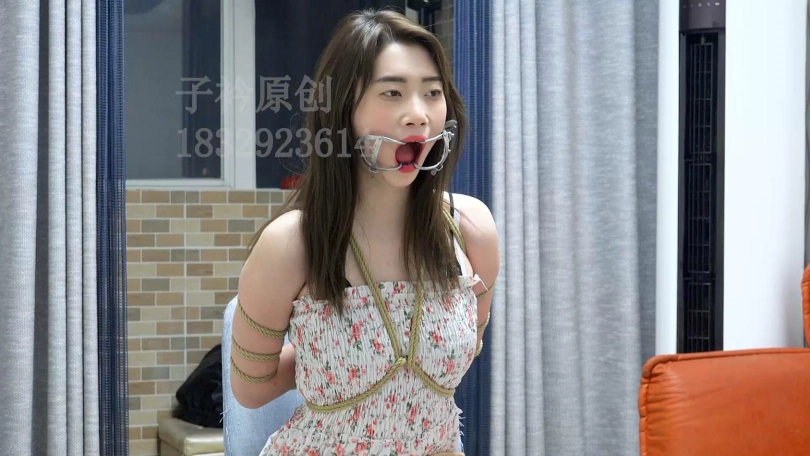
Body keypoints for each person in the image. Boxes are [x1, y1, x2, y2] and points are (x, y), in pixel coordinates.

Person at [230, 8, 500, 455]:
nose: (419, 115)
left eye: (432, 93)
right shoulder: (290, 244)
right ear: (343, 110)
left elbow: (466, 346)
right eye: (392, 92)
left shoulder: (472, 229)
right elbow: (250, 389)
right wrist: (331, 359)